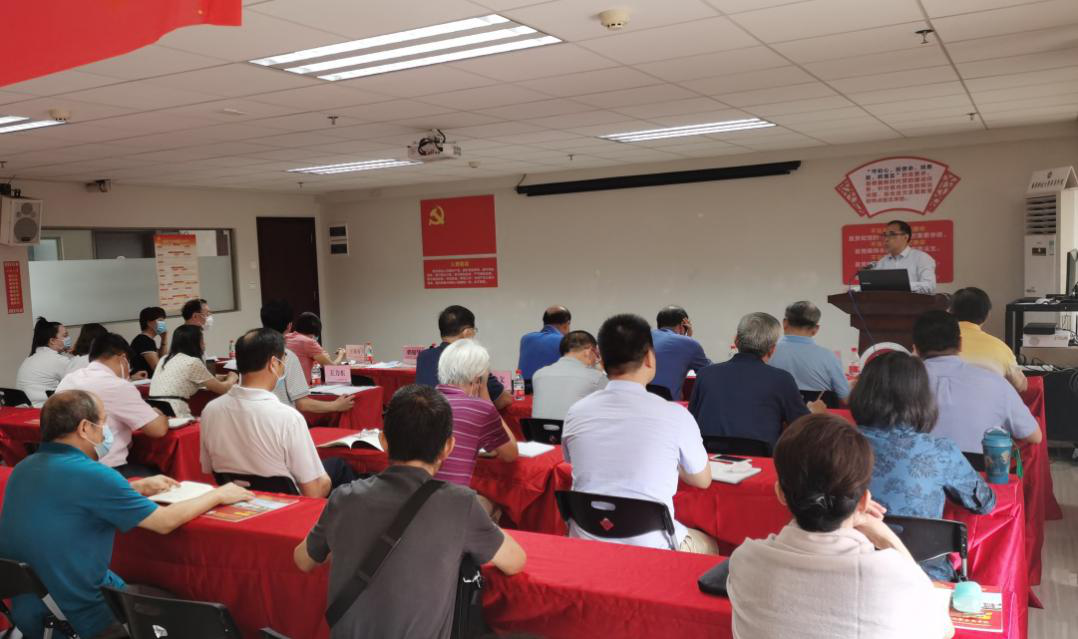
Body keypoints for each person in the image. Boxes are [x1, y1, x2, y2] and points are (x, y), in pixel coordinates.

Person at [0, 390, 252, 639]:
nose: (106, 431)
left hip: (32, 613)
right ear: (85, 428)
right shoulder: (93, 475)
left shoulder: (24, 468)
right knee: (175, 605)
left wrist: (134, 488)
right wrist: (218, 495)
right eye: (103, 422)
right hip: (84, 617)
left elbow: (70, 499)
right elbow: (164, 522)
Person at [293, 385, 526, 639]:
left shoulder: (344, 497)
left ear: (383, 441)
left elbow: (303, 560)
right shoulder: (460, 503)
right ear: (448, 447)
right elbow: (515, 561)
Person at [727, 414, 953, 639]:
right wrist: (884, 536)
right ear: (863, 501)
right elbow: (944, 629)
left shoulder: (744, 561)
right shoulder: (892, 575)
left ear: (780, 493)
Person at [562, 314, 715, 553]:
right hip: (653, 547)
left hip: (586, 539)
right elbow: (702, 480)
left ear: (601, 360)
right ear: (650, 358)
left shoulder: (576, 411)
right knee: (710, 545)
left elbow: (573, 460)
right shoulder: (675, 415)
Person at [851, 351, 996, 579]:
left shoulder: (836, 443)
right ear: (922, 398)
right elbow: (984, 503)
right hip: (924, 578)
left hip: (849, 569)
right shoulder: (940, 451)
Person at [199, 328, 355, 498]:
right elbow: (314, 491)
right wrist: (323, 479)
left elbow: (208, 467)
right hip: (287, 503)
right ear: (273, 363)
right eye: (283, 360)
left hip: (238, 498)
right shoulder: (288, 417)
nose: (283, 366)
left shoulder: (210, 410)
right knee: (339, 467)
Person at [689, 312, 825, 449]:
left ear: (736, 340)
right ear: (772, 350)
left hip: (709, 456)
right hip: (762, 457)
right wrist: (816, 414)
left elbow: (691, 420)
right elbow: (803, 426)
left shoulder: (705, 374)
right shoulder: (782, 379)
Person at [914, 310, 1041, 453]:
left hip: (916, 466)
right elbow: (1034, 436)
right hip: (976, 467)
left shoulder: (902, 383)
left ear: (915, 349)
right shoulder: (995, 382)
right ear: (960, 344)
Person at [56, 333, 169, 477]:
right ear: (123, 358)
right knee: (163, 474)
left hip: (64, 468)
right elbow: (158, 430)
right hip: (105, 471)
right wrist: (160, 414)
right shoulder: (117, 385)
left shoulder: (69, 379)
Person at [435, 339, 518, 492]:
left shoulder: (422, 400)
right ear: (477, 379)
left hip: (413, 497)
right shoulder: (480, 409)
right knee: (496, 501)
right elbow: (510, 454)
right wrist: (485, 394)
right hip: (451, 498)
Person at [262, 300, 355, 415]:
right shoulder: (293, 353)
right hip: (288, 409)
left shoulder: (257, 348)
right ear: (289, 325)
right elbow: (301, 403)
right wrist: (336, 405)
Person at [416, 305, 512, 410]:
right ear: (467, 332)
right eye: (474, 330)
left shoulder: (423, 356)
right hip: (457, 417)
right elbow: (503, 400)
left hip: (426, 417)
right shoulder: (471, 360)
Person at [148, 325, 236, 418]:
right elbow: (223, 389)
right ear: (195, 343)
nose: (205, 343)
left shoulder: (164, 359)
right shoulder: (192, 362)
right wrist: (232, 377)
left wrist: (221, 377)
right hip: (174, 411)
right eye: (202, 340)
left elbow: (193, 378)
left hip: (153, 410)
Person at [768, 301, 850, 402]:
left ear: (785, 323)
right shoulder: (828, 357)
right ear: (815, 329)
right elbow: (845, 398)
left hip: (774, 411)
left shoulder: (765, 352)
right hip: (815, 411)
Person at [951, 287, 1027, 392]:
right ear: (987, 314)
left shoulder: (934, 343)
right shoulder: (1000, 347)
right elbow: (1021, 386)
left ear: (950, 312)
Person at [531, 330, 607, 420]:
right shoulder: (596, 377)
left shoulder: (538, 375)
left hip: (539, 429)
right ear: (589, 351)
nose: (596, 359)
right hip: (576, 428)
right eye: (597, 354)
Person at [651, 305, 711, 400]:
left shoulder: (641, 337)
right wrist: (687, 339)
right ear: (683, 325)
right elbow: (710, 372)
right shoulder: (689, 344)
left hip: (635, 402)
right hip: (667, 405)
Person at [15, 317, 71, 407]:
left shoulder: (31, 357)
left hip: (24, 409)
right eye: (65, 336)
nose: (68, 338)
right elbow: (80, 382)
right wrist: (79, 353)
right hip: (42, 410)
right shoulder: (57, 360)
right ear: (52, 341)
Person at [870, 220, 937, 294]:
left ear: (905, 237)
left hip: (913, 301)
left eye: (892, 234)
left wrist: (903, 285)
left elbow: (930, 286)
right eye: (885, 235)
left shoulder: (921, 258)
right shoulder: (882, 262)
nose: (886, 239)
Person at [286, 311, 346, 383]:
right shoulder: (309, 342)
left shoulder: (286, 337)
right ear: (316, 331)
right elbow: (331, 369)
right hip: (300, 387)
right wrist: (341, 355)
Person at [517, 305, 571, 383]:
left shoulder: (525, 339)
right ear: (566, 324)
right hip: (549, 387)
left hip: (522, 387)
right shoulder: (565, 341)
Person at [131, 306, 168, 378]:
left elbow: (162, 359)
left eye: (163, 321)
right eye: (160, 320)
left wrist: (164, 338)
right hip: (143, 381)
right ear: (149, 323)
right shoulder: (144, 340)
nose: (163, 323)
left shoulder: (147, 340)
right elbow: (158, 369)